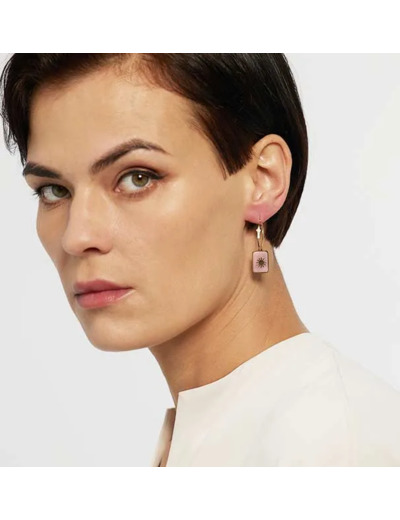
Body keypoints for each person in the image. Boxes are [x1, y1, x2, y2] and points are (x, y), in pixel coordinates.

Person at [1, 53, 399, 467]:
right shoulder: (229, 431)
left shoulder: (330, 447)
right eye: (53, 190)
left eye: (137, 177)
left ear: (263, 180)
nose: (77, 236)